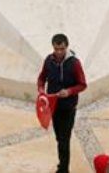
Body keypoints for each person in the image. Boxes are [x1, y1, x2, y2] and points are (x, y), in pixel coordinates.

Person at [37, 33, 87, 173]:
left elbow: (82, 84)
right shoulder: (48, 60)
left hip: (68, 107)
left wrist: (69, 91)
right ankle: (62, 165)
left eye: (62, 49)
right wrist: (41, 90)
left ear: (67, 47)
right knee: (59, 138)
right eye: (56, 49)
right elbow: (41, 78)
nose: (59, 52)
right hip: (53, 106)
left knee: (64, 140)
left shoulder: (75, 64)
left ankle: (63, 169)